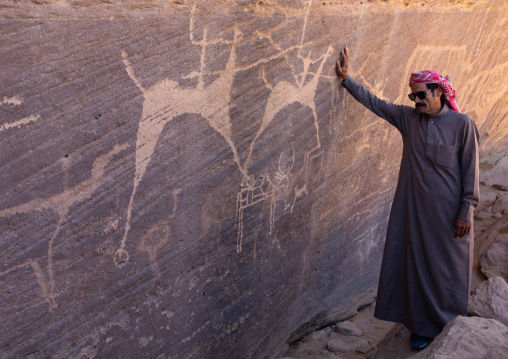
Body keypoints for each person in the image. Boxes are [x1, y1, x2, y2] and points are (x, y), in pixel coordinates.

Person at [336, 47, 480, 350]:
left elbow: (471, 170)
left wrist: (466, 210)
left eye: (421, 95)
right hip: (415, 212)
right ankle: (421, 327)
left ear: (438, 91)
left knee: (447, 270)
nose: (416, 101)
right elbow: (376, 104)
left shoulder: (462, 124)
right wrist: (348, 79)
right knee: (417, 267)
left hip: (450, 215)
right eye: (412, 96)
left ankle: (450, 323)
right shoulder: (408, 118)